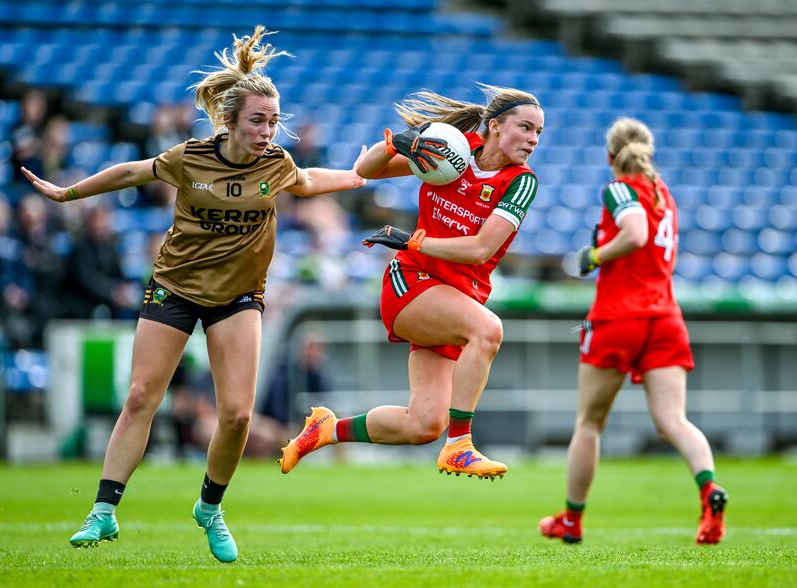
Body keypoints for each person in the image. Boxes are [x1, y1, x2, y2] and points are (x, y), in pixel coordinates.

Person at [21, 25, 365, 563]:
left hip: (238, 297)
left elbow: (306, 179)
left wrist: (357, 176)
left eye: (273, 121)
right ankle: (104, 512)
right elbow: (134, 170)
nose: (267, 131)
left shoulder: (276, 165)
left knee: (237, 416)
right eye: (257, 120)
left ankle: (209, 507)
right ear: (229, 121)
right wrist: (68, 191)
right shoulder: (191, 158)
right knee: (141, 397)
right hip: (175, 288)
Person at [279, 83, 543, 480]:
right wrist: (397, 146)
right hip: (411, 282)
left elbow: (480, 250)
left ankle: (327, 430)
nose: (533, 140)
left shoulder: (521, 181)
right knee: (488, 330)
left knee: (423, 425)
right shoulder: (453, 148)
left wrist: (412, 239)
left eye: (538, 133)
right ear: (493, 126)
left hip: (452, 298)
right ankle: (460, 446)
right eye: (525, 128)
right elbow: (364, 172)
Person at [538, 118, 728, 545]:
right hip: (665, 318)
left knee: (589, 423)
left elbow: (636, 233)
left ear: (611, 157)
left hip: (618, 317)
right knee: (674, 421)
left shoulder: (618, 188)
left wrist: (593, 255)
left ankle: (571, 520)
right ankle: (709, 490)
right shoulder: (667, 197)